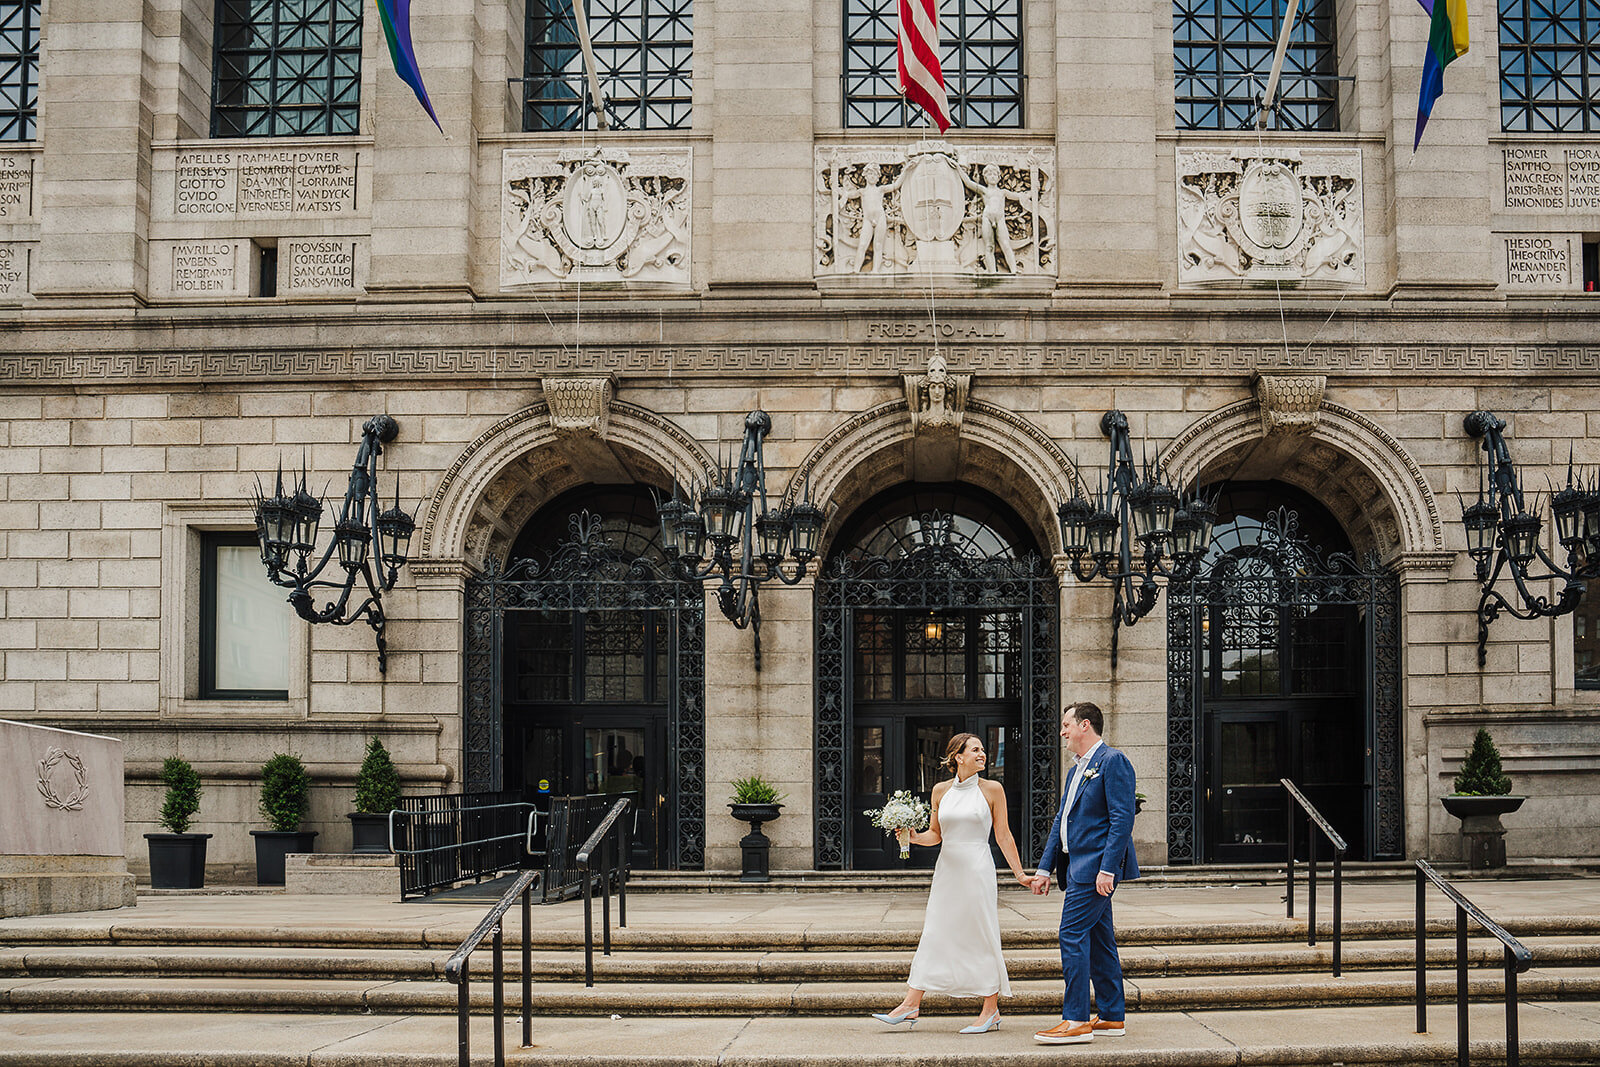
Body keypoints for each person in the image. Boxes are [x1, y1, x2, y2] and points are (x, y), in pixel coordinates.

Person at [871, 733, 1034, 1034]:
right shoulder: (940, 791)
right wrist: (913, 836)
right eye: (975, 750)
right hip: (947, 870)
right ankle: (911, 1004)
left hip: (977, 869)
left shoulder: (993, 789)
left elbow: (1003, 835)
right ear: (958, 757)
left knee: (981, 932)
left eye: (983, 749)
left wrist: (1020, 874)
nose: (982, 754)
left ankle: (990, 1010)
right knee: (935, 931)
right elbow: (936, 834)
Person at [1027, 701, 1139, 1045]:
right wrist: (1045, 867)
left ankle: (1075, 1019)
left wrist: (1108, 868)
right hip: (1075, 867)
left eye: (1066, 725)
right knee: (1100, 942)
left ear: (1085, 725)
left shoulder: (1112, 761)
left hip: (1094, 870)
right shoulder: (1076, 770)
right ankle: (1111, 1016)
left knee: (1071, 935)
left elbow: (1122, 818)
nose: (1062, 731)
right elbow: (1062, 820)